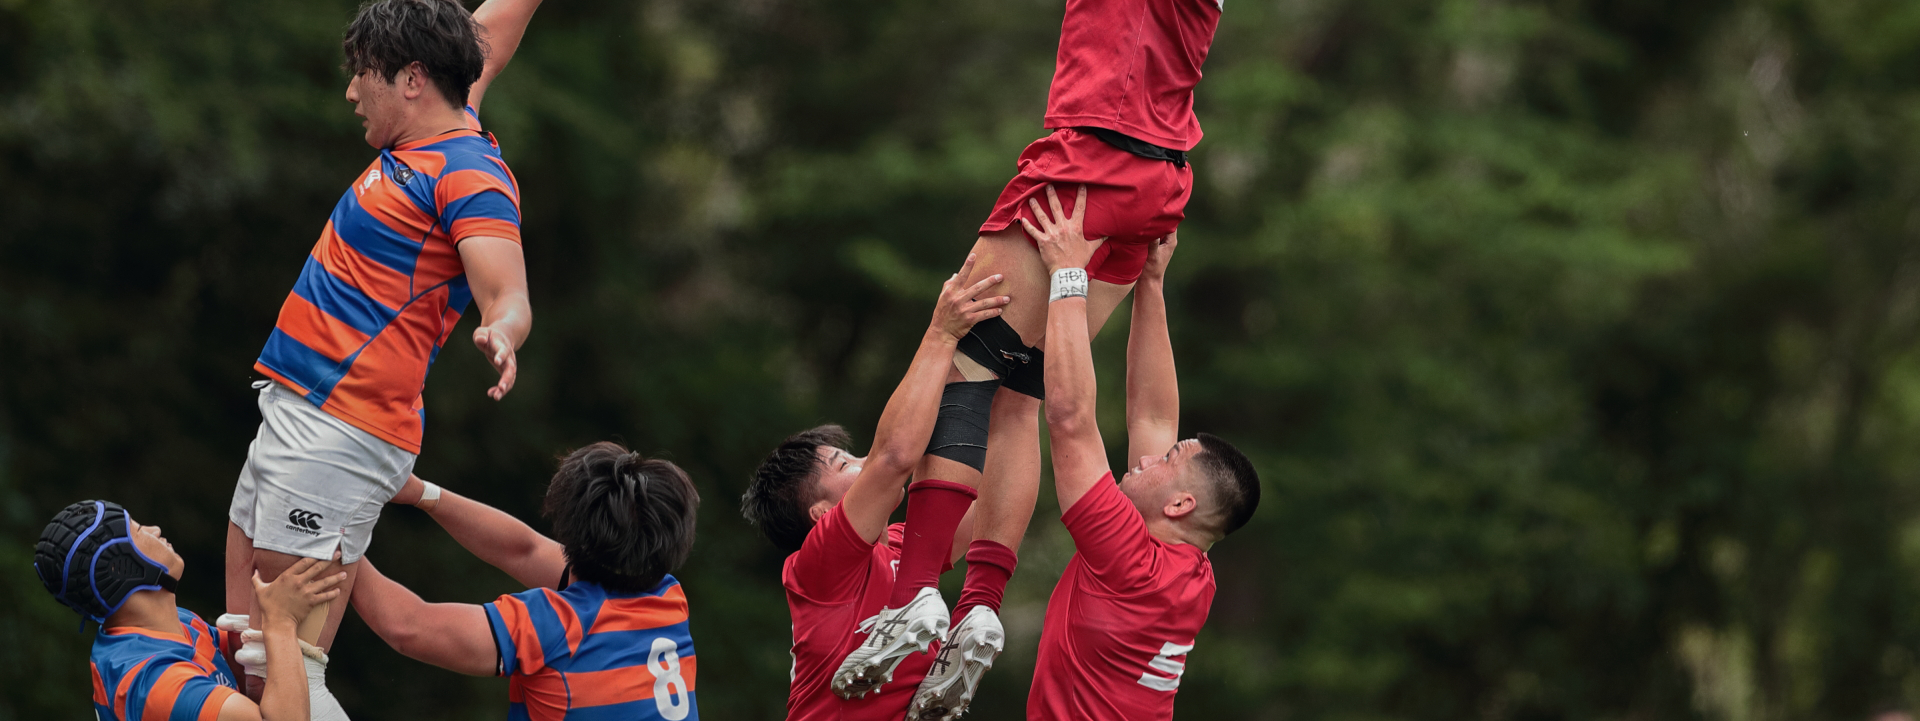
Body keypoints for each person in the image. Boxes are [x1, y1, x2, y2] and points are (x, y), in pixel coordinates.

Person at [835, 0, 1327, 694]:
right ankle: (976, 613)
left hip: (1097, 156)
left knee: (962, 353)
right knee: (1018, 387)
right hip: (1142, 173)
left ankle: (920, 592)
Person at [222, 0, 631, 701]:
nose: (351, 91)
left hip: (339, 427)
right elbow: (482, 41)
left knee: (286, 669)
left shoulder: (468, 173)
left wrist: (502, 330)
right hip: (304, 412)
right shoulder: (440, 124)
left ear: (410, 80)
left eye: (363, 74)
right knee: (246, 643)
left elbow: (507, 290)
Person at [740, 255, 1026, 720]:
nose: (864, 464)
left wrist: (1012, 392)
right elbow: (893, 457)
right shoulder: (817, 564)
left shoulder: (898, 546)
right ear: (821, 515)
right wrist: (941, 334)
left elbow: (990, 515)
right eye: (845, 463)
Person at [1021, 187, 1260, 719]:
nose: (1148, 459)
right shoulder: (1189, 569)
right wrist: (1151, 282)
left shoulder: (1131, 562)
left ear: (1180, 505)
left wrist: (1068, 273)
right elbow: (1153, 419)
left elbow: (1068, 419)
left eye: (1166, 461)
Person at [351, 443, 702, 721]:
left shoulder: (555, 627)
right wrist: (419, 493)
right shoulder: (669, 600)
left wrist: (335, 535)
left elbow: (407, 626)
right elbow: (523, 550)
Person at [34, 499, 343, 721]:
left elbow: (248, 660)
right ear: (118, 567)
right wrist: (281, 620)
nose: (155, 529)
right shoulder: (155, 685)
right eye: (139, 531)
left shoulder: (174, 623)